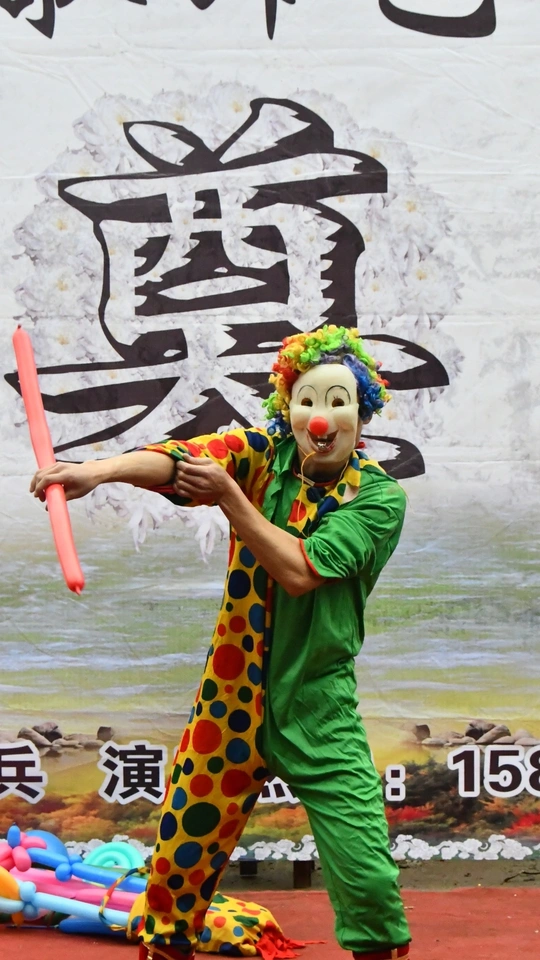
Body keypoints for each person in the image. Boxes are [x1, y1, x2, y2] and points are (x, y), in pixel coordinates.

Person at [31, 325, 411, 960]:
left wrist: (231, 498)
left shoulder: (379, 499)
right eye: (306, 400)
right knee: (176, 869)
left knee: (366, 870)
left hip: (316, 702)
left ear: (362, 410)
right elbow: (180, 459)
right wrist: (96, 472)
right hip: (229, 697)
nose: (320, 417)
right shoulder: (260, 452)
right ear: (287, 407)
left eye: (337, 401)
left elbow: (300, 570)